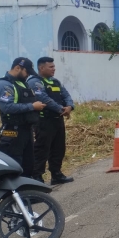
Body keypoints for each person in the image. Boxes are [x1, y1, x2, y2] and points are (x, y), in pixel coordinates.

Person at [0, 58, 45, 178]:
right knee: (14, 167)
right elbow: (7, 107)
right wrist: (32, 106)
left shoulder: (22, 83)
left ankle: (27, 195)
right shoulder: (4, 84)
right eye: (27, 72)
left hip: (26, 130)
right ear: (17, 68)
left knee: (28, 166)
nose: (28, 76)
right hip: (12, 132)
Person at [28, 57, 75, 185]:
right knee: (42, 149)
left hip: (58, 120)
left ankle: (56, 174)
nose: (54, 69)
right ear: (41, 68)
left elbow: (66, 95)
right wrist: (61, 109)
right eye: (51, 67)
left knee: (58, 148)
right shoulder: (35, 82)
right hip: (43, 121)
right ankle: (37, 177)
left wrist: (69, 107)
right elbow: (43, 98)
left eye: (54, 66)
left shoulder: (55, 82)